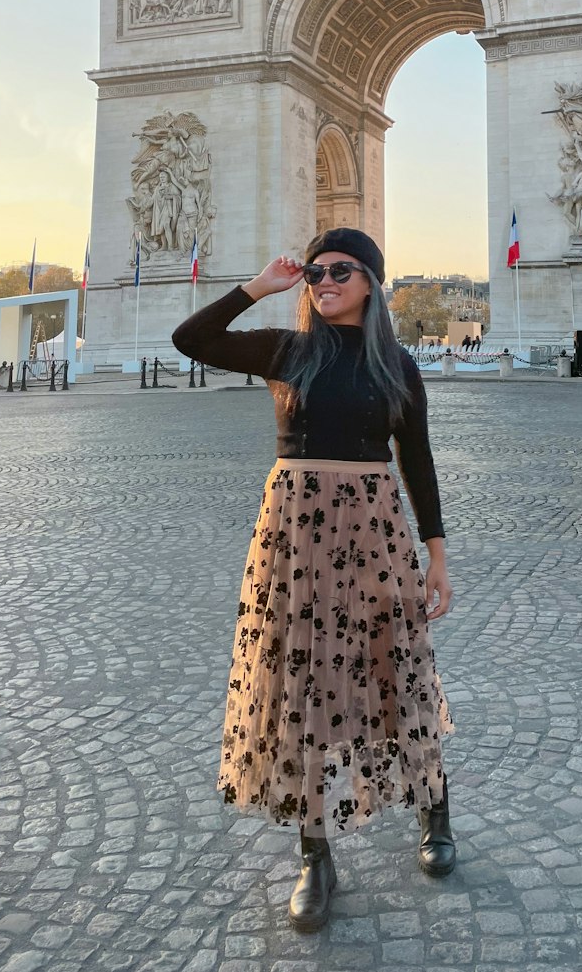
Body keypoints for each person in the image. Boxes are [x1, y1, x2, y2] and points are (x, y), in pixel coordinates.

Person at [172, 227, 455, 934]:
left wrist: (438, 555)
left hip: (375, 533)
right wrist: (259, 285)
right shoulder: (285, 349)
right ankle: (314, 854)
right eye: (316, 272)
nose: (323, 280)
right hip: (295, 540)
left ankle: (435, 808)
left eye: (339, 270)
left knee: (397, 668)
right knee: (302, 689)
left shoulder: (398, 363)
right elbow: (190, 338)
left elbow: (416, 461)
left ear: (371, 281)